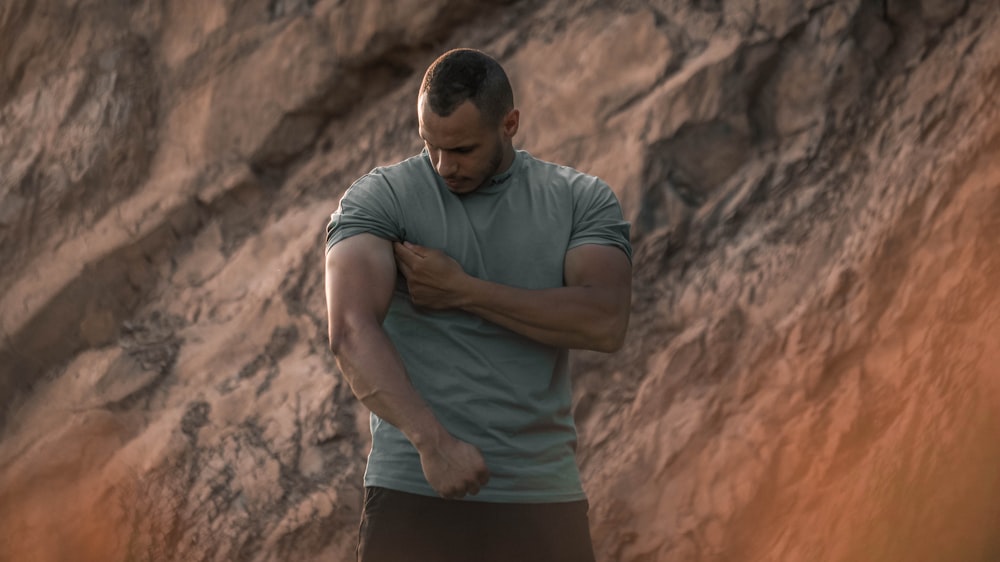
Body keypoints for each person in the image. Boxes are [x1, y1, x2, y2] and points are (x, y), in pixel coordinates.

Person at [324, 48, 632, 562]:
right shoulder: (381, 198)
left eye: (463, 149)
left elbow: (605, 322)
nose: (444, 167)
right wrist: (433, 444)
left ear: (509, 124)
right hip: (414, 492)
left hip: (540, 500)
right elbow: (351, 330)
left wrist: (464, 291)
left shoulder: (581, 200)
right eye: (430, 146)